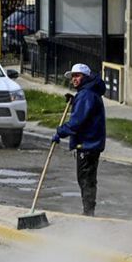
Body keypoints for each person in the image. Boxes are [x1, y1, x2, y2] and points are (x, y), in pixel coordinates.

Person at [52, 63, 107, 217]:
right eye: (73, 77)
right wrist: (75, 100)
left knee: (86, 179)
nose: (74, 79)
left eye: (77, 76)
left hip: (88, 144)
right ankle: (88, 211)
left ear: (86, 77)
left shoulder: (86, 94)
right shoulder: (87, 93)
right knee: (86, 178)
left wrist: (60, 132)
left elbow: (77, 122)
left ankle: (88, 213)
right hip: (91, 143)